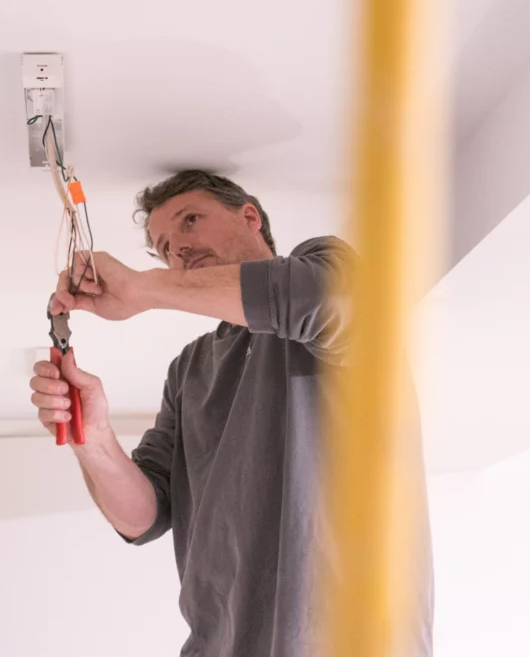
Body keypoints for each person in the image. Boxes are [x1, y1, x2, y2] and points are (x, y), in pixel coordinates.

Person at [28, 170, 433, 656]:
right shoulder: (189, 370)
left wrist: (147, 288)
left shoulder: (323, 266)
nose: (176, 249)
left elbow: (329, 302)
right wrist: (91, 438)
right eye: (161, 247)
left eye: (190, 222)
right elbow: (144, 517)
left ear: (250, 216)